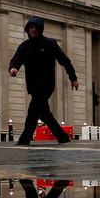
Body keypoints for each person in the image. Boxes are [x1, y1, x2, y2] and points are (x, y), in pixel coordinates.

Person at [8, 17, 79, 145]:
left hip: (46, 83)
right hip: (33, 85)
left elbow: (65, 61)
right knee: (44, 113)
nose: (33, 30)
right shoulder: (24, 46)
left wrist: (73, 78)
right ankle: (62, 137)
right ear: (28, 29)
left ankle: (25, 138)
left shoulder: (49, 43)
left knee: (33, 110)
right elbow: (16, 60)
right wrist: (13, 69)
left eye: (36, 27)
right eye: (31, 27)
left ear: (40, 29)